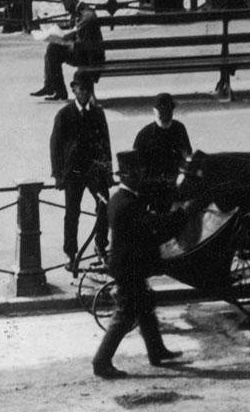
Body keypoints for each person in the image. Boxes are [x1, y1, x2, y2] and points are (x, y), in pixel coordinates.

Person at [91, 152, 182, 378]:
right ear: (127, 176)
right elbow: (153, 226)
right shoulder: (128, 205)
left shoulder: (119, 198)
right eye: (137, 173)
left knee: (144, 309)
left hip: (128, 266)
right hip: (128, 268)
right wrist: (183, 214)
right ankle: (101, 362)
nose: (141, 176)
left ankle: (157, 351)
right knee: (124, 315)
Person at [49, 73, 112, 270]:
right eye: (80, 89)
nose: (84, 93)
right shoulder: (64, 114)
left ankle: (101, 247)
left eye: (87, 89)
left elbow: (105, 143)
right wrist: (58, 174)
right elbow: (55, 146)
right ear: (74, 89)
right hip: (74, 171)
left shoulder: (98, 114)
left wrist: (108, 171)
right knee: (71, 213)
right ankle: (70, 253)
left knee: (104, 207)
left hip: (94, 170)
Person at [31, 0, 102, 98]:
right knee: (52, 49)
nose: (65, 8)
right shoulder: (77, 12)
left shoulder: (85, 10)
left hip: (89, 55)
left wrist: (75, 30)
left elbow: (89, 17)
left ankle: (56, 89)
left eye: (65, 3)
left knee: (52, 50)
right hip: (85, 51)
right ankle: (51, 86)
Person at [131, 92, 192, 195]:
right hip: (153, 185)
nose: (164, 114)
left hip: (176, 180)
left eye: (167, 111)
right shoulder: (144, 135)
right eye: (161, 111)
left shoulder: (179, 128)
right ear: (154, 111)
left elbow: (187, 155)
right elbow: (136, 165)